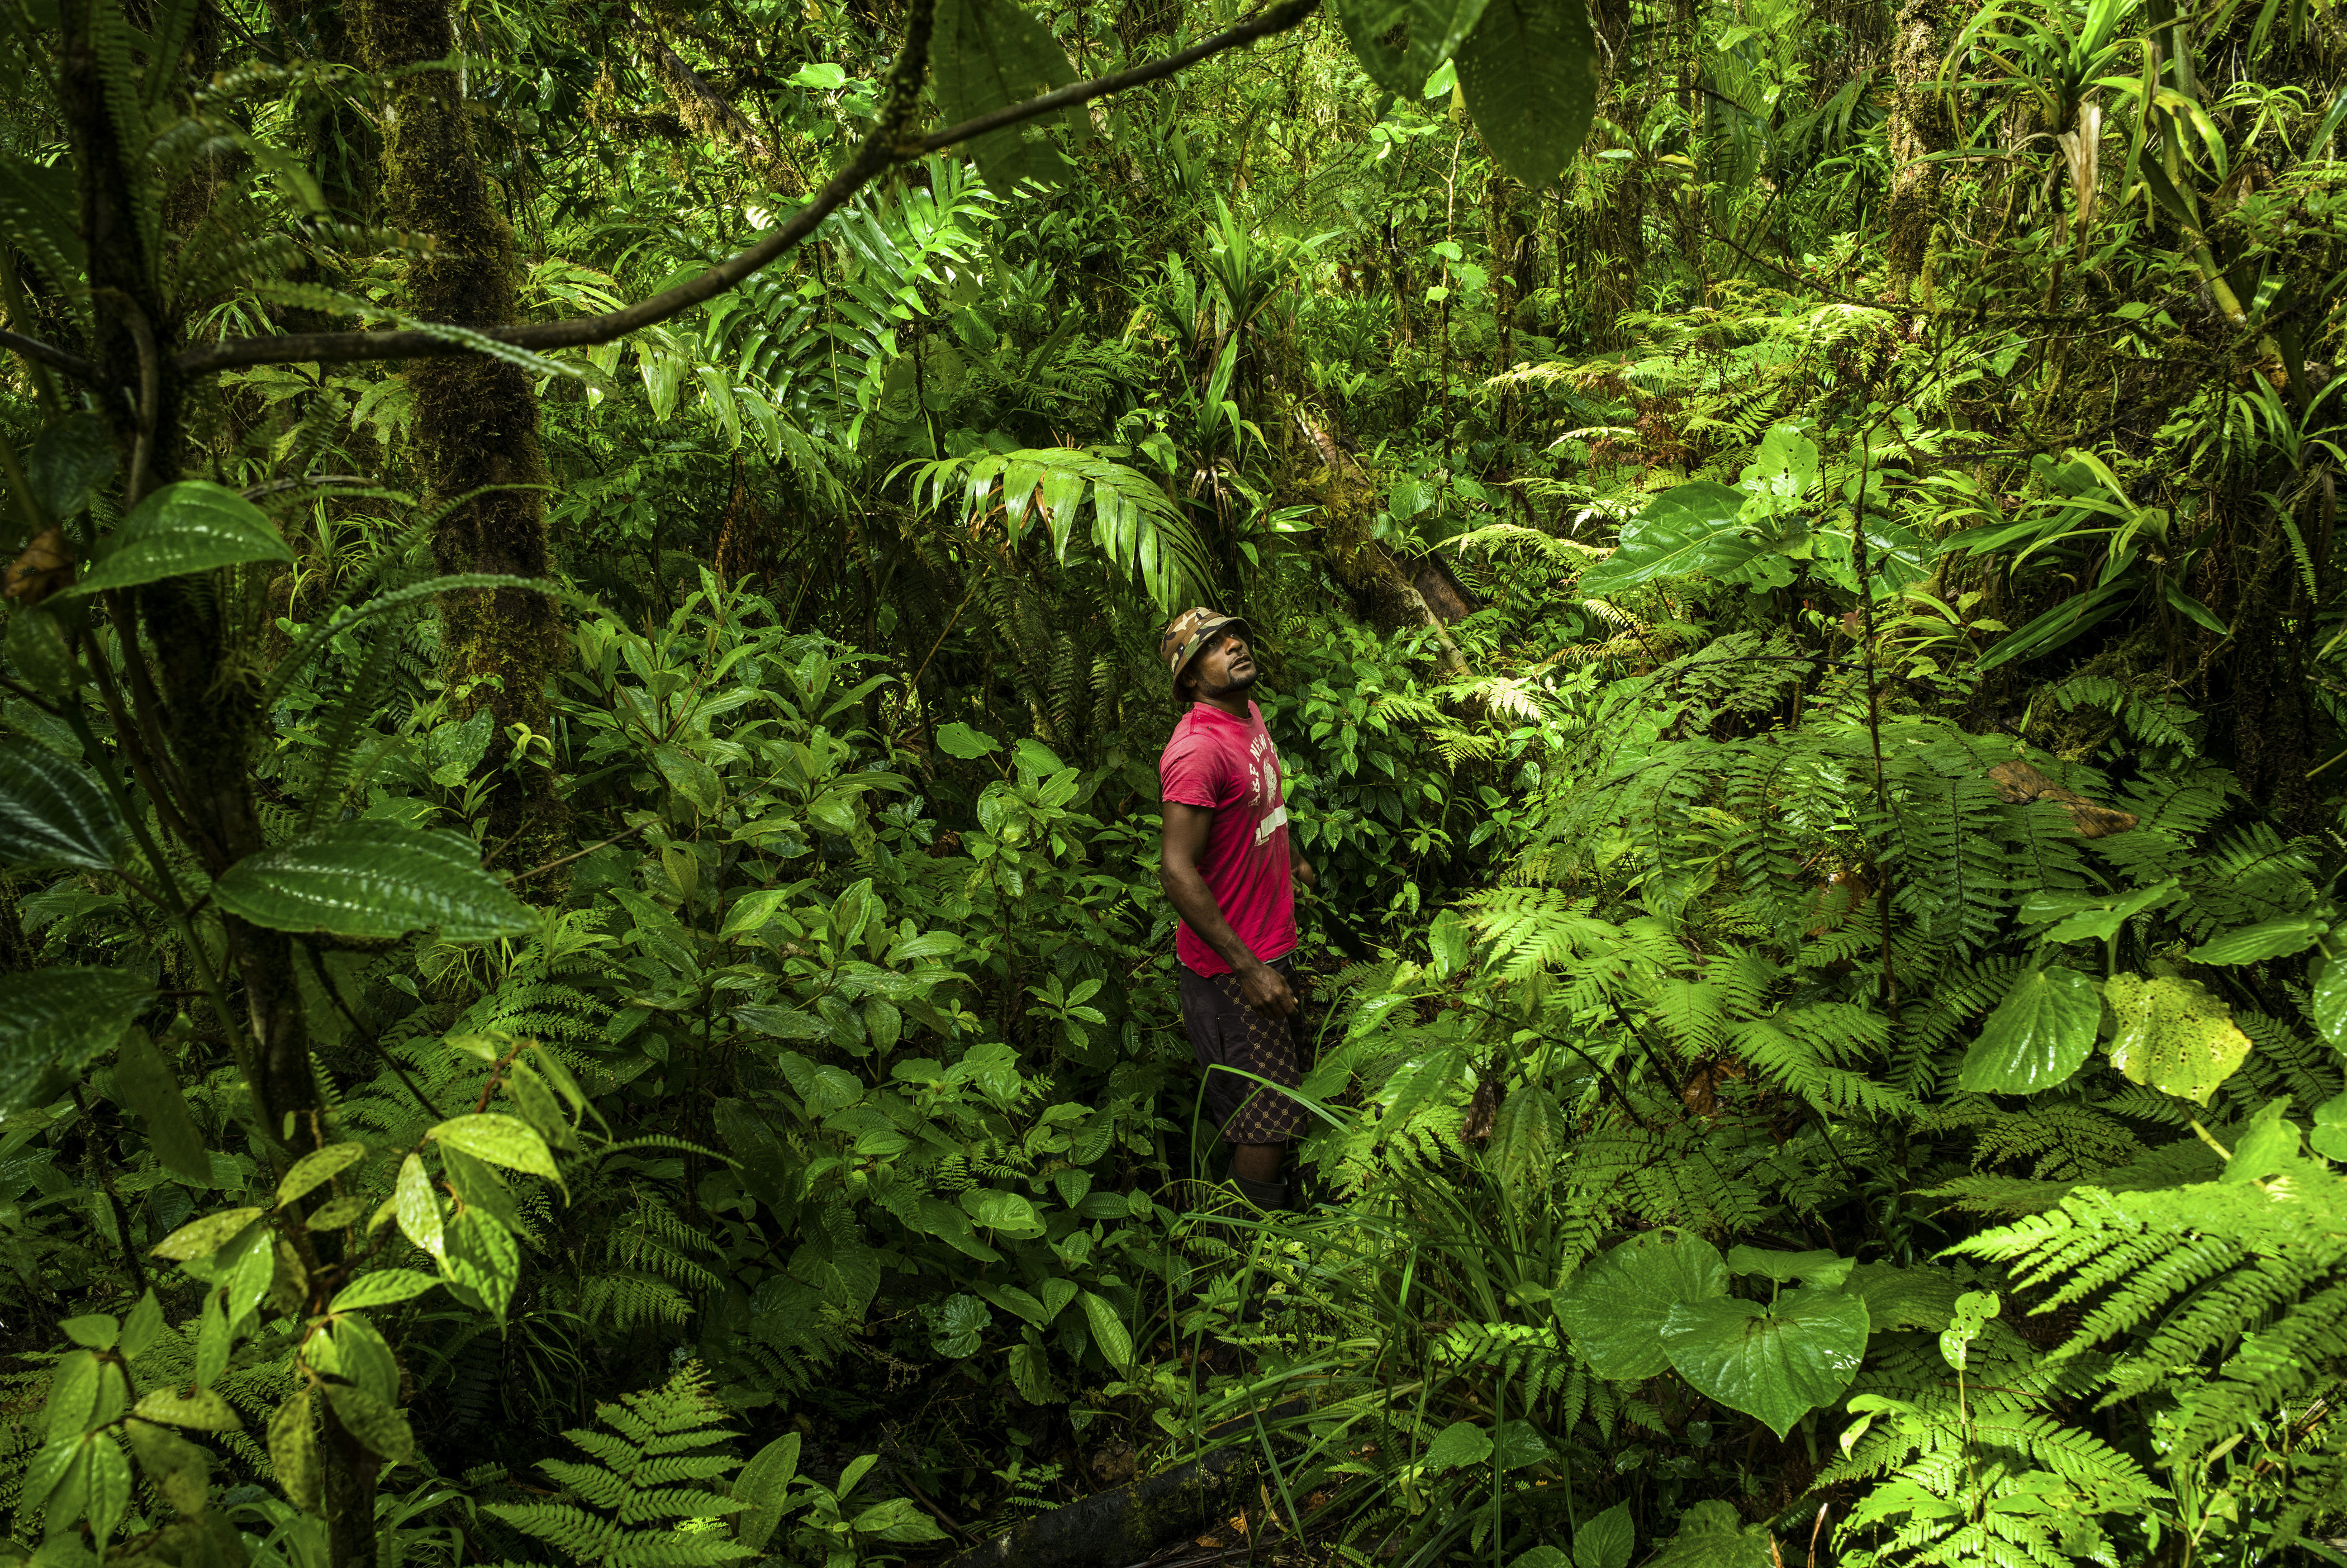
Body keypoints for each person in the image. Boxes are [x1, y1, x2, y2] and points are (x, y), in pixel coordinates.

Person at [1157, 606, 1315, 1215]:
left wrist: (1293, 860)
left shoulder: (1245, 714)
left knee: (1283, 1099)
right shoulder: (1196, 750)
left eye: (1232, 636)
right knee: (1262, 1123)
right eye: (1213, 648)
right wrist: (1248, 970)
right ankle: (1247, 1258)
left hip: (1270, 946)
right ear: (1192, 679)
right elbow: (1176, 869)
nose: (1234, 647)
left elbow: (1261, 803)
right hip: (1231, 975)